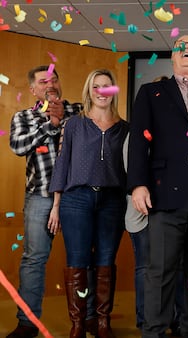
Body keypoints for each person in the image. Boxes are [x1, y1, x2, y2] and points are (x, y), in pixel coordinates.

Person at [127, 35, 188, 338]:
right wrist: (137, 185)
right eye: (180, 46)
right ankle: (154, 332)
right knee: (160, 272)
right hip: (163, 195)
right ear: (172, 58)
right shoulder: (151, 92)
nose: (186, 49)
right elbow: (137, 145)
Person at [49, 68, 128, 338]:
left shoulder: (125, 129)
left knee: (105, 262)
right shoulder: (74, 124)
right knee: (78, 263)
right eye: (96, 86)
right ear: (89, 91)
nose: (102, 91)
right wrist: (56, 205)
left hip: (112, 201)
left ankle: (102, 322)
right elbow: (62, 164)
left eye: (107, 86)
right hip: (76, 199)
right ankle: (79, 324)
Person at [7, 65, 85, 338]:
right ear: (33, 89)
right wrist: (50, 125)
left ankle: (86, 322)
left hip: (78, 198)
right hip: (40, 197)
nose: (49, 84)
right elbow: (17, 146)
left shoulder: (79, 110)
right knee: (33, 260)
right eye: (43, 81)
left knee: (83, 260)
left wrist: (64, 118)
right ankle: (27, 323)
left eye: (54, 79)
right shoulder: (24, 117)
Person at [124, 75, 185, 336]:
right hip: (143, 211)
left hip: (169, 208)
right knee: (147, 269)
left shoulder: (174, 136)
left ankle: (173, 319)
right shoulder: (138, 132)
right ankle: (145, 320)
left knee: (171, 268)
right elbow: (132, 165)